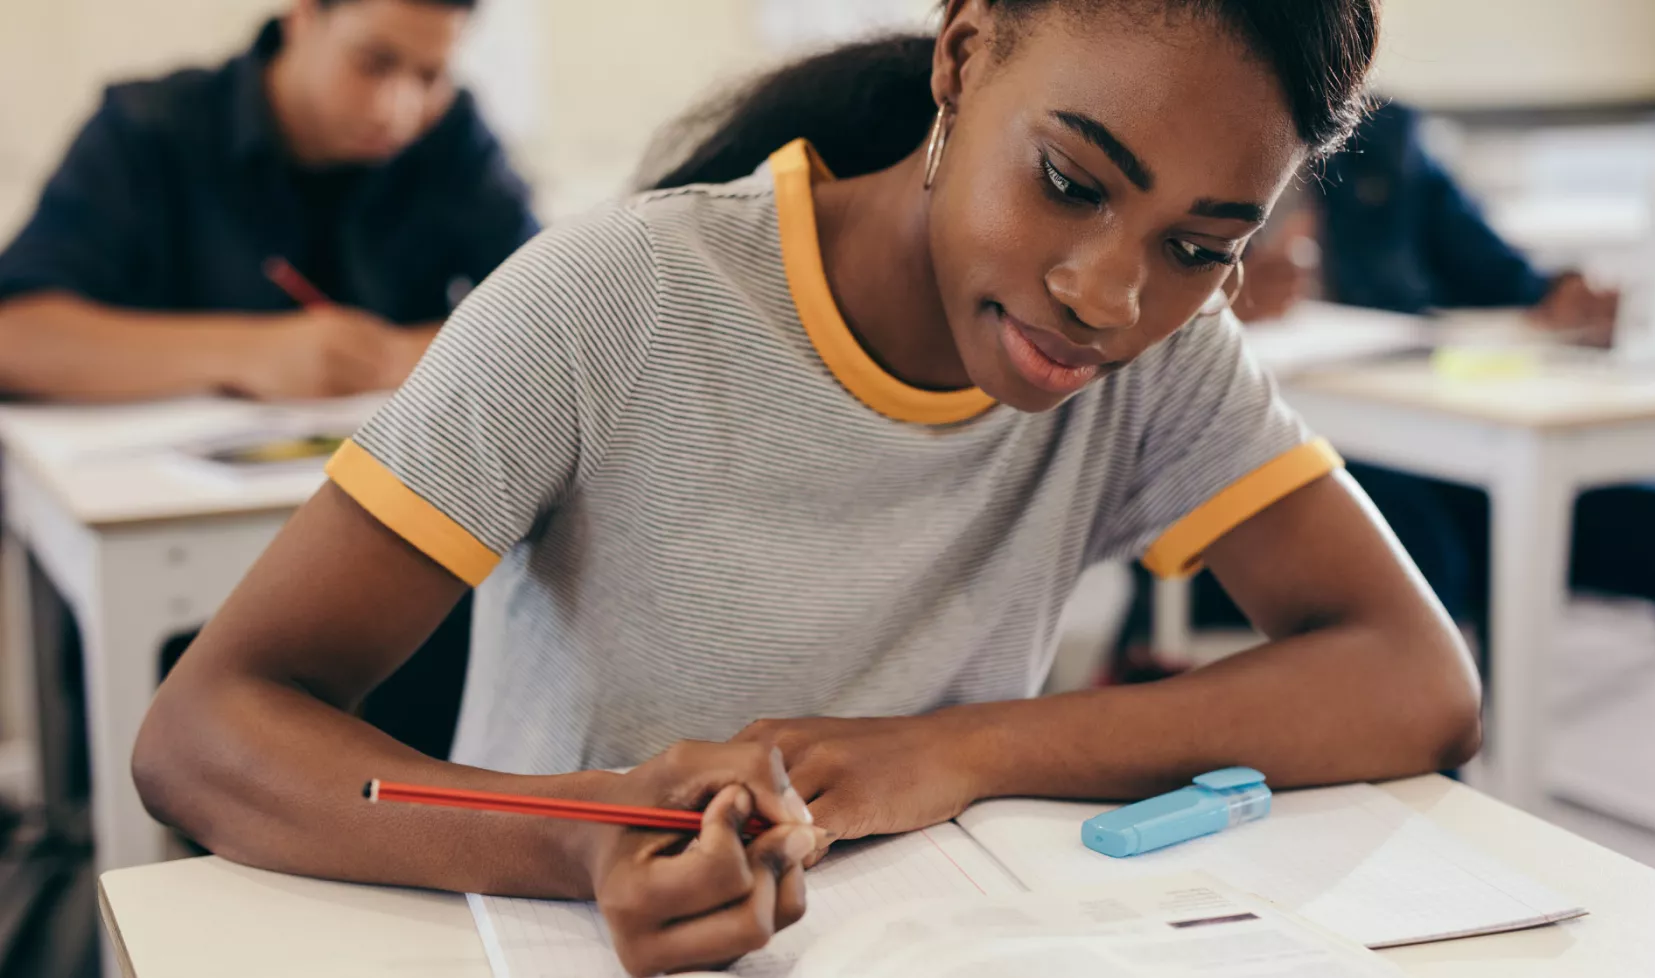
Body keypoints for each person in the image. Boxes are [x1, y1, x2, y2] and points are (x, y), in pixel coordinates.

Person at [133, 3, 1481, 975]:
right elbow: (202, 732)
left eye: (1200, 246)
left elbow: (1415, 680)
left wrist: (955, 751)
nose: (1110, 297)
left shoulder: (1165, 356)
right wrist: (577, 842)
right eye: (1070, 181)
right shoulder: (622, 297)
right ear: (963, 56)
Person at [1174, 100, 1655, 678]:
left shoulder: (1387, 133)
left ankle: (1448, 750)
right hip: (1276, 457)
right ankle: (1427, 755)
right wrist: (1216, 293)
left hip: (1435, 450)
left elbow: (1498, 273)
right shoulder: (1192, 116)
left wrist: (1562, 296)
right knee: (1414, 547)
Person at [0, 0, 539, 402]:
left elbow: (555, 313)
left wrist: (395, 357)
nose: (398, 110)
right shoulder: (148, 130)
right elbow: (16, 335)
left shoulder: (453, 134)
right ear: (302, 17)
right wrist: (248, 354)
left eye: (430, 74)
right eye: (373, 64)